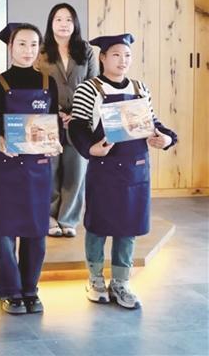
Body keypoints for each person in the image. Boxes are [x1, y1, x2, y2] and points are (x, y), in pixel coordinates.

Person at [69, 33, 177, 310]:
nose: (122, 60)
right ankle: (95, 278)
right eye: (116, 55)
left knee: (128, 226)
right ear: (103, 57)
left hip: (136, 169)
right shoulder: (88, 89)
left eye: (127, 55)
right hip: (104, 168)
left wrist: (167, 138)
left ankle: (121, 281)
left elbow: (151, 122)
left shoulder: (140, 88)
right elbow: (77, 126)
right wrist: (91, 149)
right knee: (98, 225)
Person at [0, 23, 62, 315]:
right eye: (22, 44)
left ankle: (30, 289)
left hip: (39, 169)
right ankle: (9, 291)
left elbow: (53, 121)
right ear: (11, 47)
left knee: (36, 232)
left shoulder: (48, 83)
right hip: (8, 167)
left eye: (33, 44)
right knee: (5, 231)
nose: (28, 50)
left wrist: (56, 142)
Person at [35, 3, 98, 238]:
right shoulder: (41, 51)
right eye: (58, 19)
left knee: (76, 171)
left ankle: (68, 219)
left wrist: (78, 112)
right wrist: (56, 111)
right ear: (51, 23)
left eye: (69, 19)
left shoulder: (85, 50)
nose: (64, 24)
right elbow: (35, 85)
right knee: (49, 170)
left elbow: (94, 83)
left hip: (79, 120)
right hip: (49, 118)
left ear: (75, 24)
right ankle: (49, 217)